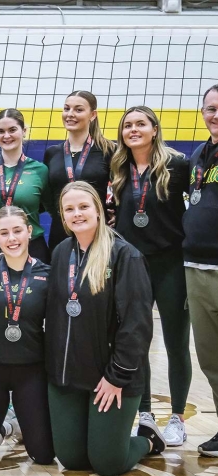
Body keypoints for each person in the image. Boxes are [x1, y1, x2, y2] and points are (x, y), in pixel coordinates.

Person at [46, 181, 163, 476]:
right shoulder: (61, 252)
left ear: (99, 210)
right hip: (68, 376)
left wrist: (117, 377)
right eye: (69, 209)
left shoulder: (125, 255)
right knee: (71, 459)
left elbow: (137, 325)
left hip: (110, 379)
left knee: (107, 463)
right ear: (62, 216)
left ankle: (148, 440)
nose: (77, 214)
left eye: (84, 206)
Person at [109, 106, 190, 446]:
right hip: (133, 266)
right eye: (128, 125)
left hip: (169, 264)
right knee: (136, 343)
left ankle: (177, 418)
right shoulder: (117, 168)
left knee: (176, 343)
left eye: (141, 124)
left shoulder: (178, 165)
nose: (133, 129)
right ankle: (144, 414)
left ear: (155, 129)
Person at [0, 205, 54, 464]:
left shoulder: (47, 274)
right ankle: (3, 427)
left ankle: (13, 425)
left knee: (43, 455)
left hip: (31, 367)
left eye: (18, 231)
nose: (12, 239)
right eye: (4, 233)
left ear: (30, 231)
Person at [185, 84, 218, 457]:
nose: (215, 114)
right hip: (195, 267)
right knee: (210, 358)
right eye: (210, 108)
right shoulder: (198, 156)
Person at [0, 109, 54, 262]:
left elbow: (49, 207)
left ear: (24, 131)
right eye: (1, 131)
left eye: (12, 130)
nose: (6, 136)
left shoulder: (40, 170)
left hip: (32, 247)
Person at [43, 91, 116, 250]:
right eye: (66, 108)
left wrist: (115, 212)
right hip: (60, 234)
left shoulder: (109, 151)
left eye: (78, 109)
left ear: (93, 115)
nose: (70, 114)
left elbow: (122, 189)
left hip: (97, 234)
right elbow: (48, 198)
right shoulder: (52, 153)